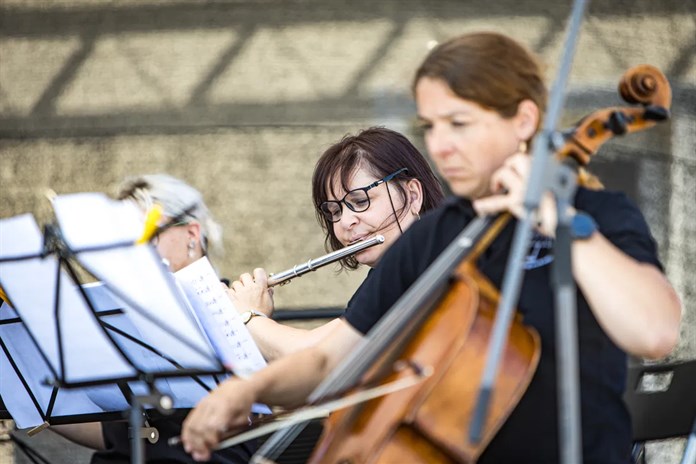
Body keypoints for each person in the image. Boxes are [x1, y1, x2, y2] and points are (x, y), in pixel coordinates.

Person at [181, 32, 682, 463]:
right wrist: (249, 389)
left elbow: (654, 332)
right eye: (431, 126)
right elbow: (331, 361)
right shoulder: (434, 238)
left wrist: (561, 219)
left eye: (458, 124)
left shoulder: (597, 214)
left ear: (523, 120)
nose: (440, 146)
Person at [53, 174, 255, 463]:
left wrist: (252, 319)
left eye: (145, 238)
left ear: (191, 235)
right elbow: (114, 436)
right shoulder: (120, 319)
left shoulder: (239, 311)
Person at [227, 127, 445, 361]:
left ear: (412, 195)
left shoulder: (425, 262)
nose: (345, 222)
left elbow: (317, 357)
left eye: (360, 201)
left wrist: (248, 316)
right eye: (334, 212)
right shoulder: (390, 272)